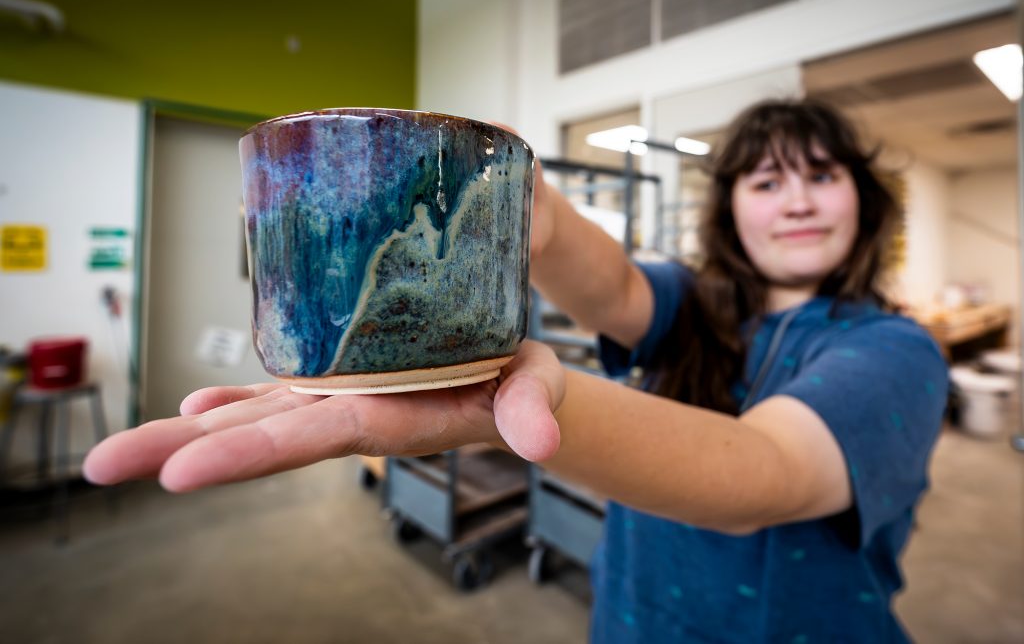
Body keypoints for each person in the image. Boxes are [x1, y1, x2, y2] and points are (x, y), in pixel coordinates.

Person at [84, 99, 948, 643]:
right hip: (635, 622)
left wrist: (533, 399)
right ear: (728, 207)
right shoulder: (702, 307)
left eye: (822, 177)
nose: (795, 201)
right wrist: (515, 199)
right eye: (764, 181)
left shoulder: (895, 353)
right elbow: (609, 284)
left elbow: (765, 473)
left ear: (864, 202)